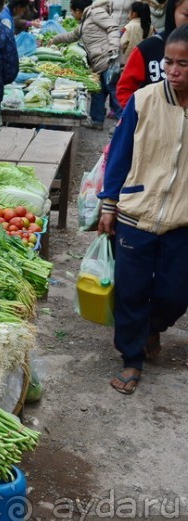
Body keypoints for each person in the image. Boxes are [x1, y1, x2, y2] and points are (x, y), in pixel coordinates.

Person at [97, 24, 188, 395]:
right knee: (131, 291)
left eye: (184, 63)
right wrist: (109, 204)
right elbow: (119, 156)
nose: (174, 70)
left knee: (176, 293)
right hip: (137, 213)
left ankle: (152, 328)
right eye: (169, 61)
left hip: (182, 220)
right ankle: (131, 357)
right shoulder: (144, 101)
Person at [50, 0, 122, 129]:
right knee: (97, 91)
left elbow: (113, 27)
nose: (71, 14)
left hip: (108, 59)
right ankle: (97, 121)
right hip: (98, 62)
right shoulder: (85, 22)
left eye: (71, 11)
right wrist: (54, 40)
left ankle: (124, 125)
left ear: (78, 11)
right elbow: (72, 36)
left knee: (114, 93)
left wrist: (114, 48)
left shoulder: (96, 13)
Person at [116, 0, 188, 108]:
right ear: (172, 12)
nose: (174, 71)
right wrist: (141, 115)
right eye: (187, 14)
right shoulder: (147, 49)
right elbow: (125, 90)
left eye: (182, 63)